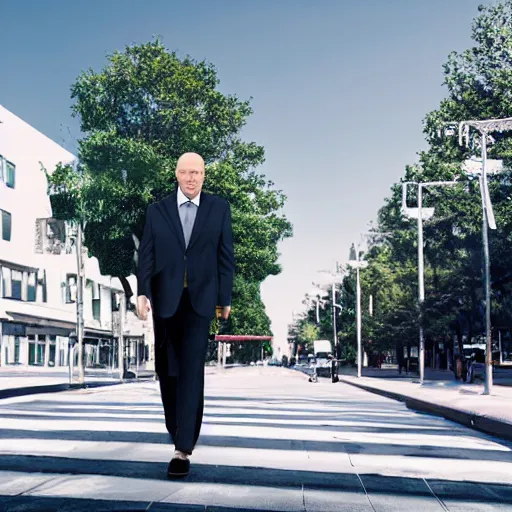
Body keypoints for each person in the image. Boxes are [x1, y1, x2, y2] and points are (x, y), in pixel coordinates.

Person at [136, 152, 234, 478]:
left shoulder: (219, 209)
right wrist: (142, 292)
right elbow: (146, 256)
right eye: (185, 172)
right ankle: (176, 428)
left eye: (197, 172)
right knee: (167, 371)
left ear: (204, 175)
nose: (191, 177)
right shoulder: (156, 211)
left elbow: (225, 257)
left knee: (192, 372)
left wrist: (224, 300)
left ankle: (182, 449)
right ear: (176, 174)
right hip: (165, 302)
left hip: (200, 303)